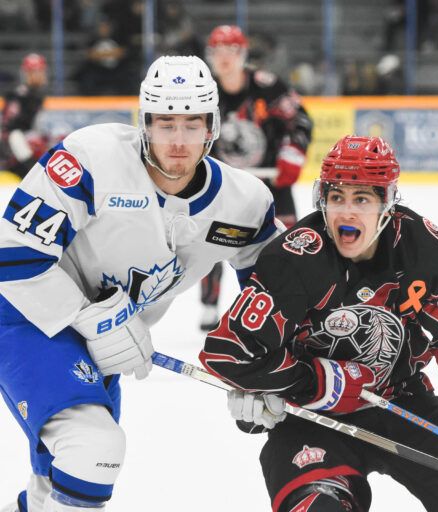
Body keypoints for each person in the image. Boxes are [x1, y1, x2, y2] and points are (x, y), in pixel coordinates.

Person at [199, 135, 438, 512]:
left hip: (403, 403)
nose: (346, 213)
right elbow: (228, 353)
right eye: (336, 198)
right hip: (311, 419)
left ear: (388, 203)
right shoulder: (295, 259)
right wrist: (310, 384)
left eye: (361, 199)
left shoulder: (427, 251)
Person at [0, 55, 280, 512]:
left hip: (103, 346)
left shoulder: (244, 204)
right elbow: (12, 254)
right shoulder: (93, 156)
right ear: (143, 122)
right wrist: (89, 317)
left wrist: (267, 373)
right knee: (94, 450)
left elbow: (276, 295)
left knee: (54, 487)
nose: (178, 140)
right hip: (27, 316)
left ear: (213, 126)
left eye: (193, 124)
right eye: (164, 123)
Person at [198, 24, 313, 331]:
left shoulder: (267, 86)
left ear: (243, 54)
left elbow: (301, 120)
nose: (224, 58)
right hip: (225, 185)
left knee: (287, 246)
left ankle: (291, 305)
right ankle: (209, 304)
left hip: (273, 183)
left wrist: (292, 153)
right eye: (218, 51)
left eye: (231, 51)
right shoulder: (204, 92)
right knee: (212, 243)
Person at [1, 53, 49, 179]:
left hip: (27, 137)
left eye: (40, 71)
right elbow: (10, 126)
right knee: (16, 136)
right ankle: (33, 174)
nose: (39, 75)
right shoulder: (19, 95)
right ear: (26, 73)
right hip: (13, 142)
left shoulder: (36, 95)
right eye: (34, 72)